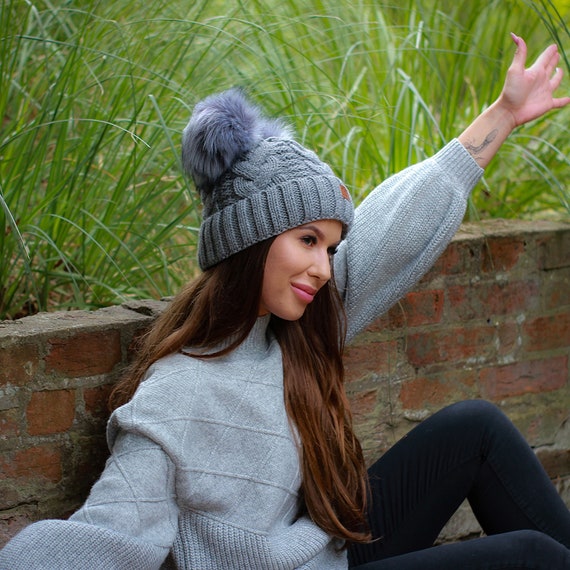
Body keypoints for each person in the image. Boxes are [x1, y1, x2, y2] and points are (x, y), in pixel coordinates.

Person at [1, 34, 569, 570]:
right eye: (307, 241)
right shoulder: (176, 396)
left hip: (323, 550)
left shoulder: (289, 328)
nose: (324, 269)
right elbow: (109, 532)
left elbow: (390, 232)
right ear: (250, 241)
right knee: (532, 555)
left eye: (330, 246)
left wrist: (502, 114)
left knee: (476, 427)